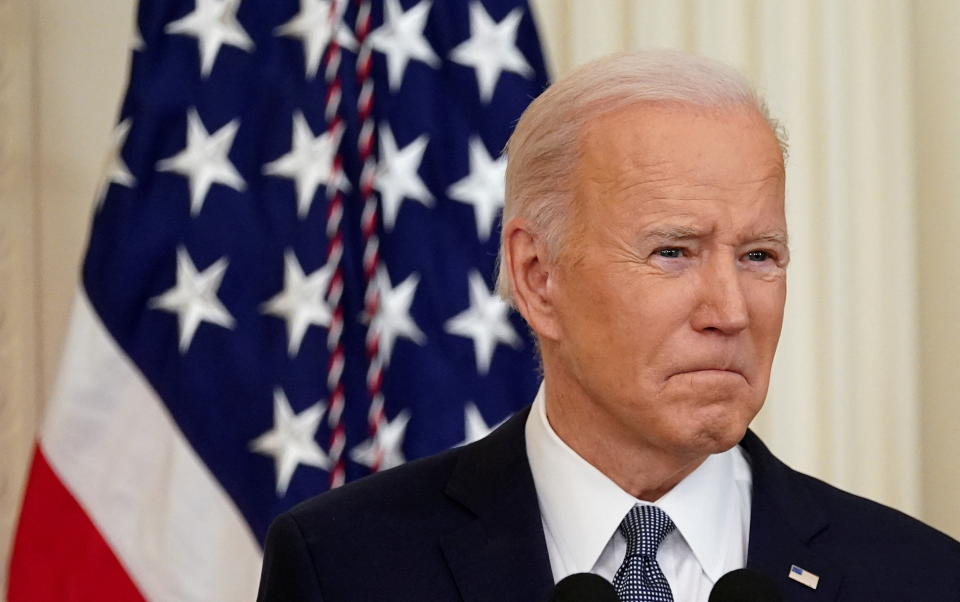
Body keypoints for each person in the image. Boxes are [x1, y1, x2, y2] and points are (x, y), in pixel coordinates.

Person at [256, 50, 960, 602]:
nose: (732, 311)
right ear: (538, 276)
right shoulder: (345, 567)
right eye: (673, 253)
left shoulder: (920, 578)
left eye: (758, 256)